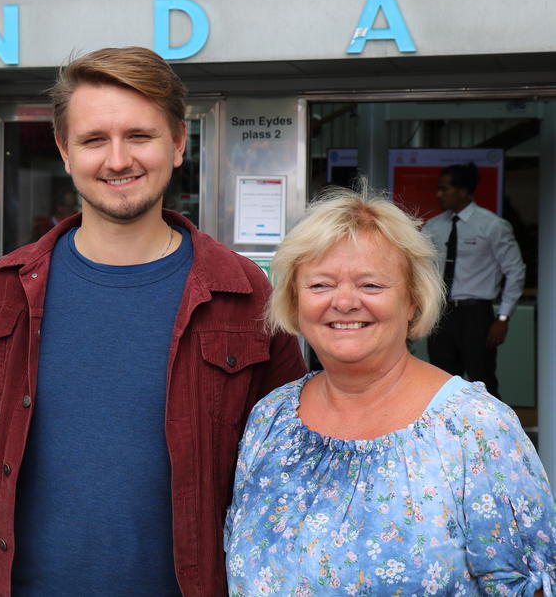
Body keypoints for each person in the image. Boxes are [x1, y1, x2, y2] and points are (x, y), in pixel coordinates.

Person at [0, 47, 306, 596]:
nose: (118, 159)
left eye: (139, 136)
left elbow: (291, 466)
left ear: (177, 144)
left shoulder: (245, 294)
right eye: (94, 139)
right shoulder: (3, 291)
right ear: (64, 150)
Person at [225, 184, 556, 596]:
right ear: (294, 299)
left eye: (371, 285)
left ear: (414, 300)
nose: (344, 302)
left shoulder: (476, 430)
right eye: (320, 285)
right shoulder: (271, 419)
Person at [424, 162, 525, 399]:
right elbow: (422, 269)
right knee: (439, 383)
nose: (439, 195)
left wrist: (503, 317)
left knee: (483, 382)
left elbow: (515, 271)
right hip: (441, 313)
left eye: (444, 189)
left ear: (463, 191)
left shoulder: (492, 226)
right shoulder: (434, 226)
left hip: (476, 315)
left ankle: (492, 434)